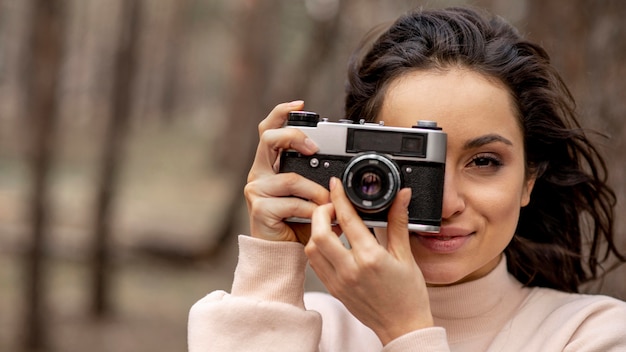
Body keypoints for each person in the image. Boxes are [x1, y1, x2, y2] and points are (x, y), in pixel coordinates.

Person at [188, 6, 626, 351]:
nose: (447, 202)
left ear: (529, 180)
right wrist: (271, 268)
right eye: (414, 165)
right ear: (356, 166)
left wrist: (407, 331)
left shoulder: (591, 335)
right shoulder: (301, 326)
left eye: (485, 161)